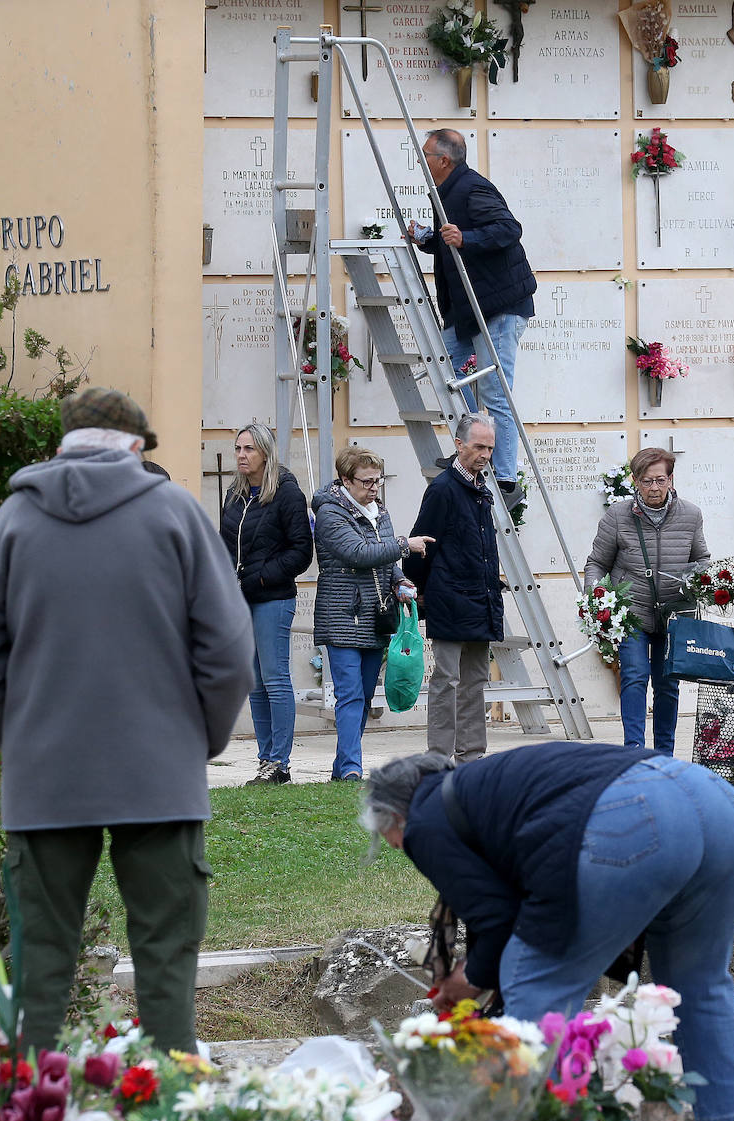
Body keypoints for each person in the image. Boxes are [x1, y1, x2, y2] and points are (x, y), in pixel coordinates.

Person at [0, 386, 253, 1054]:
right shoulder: (176, 513)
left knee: (41, 967)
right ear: (137, 446)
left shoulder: (12, 522)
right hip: (160, 774)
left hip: (45, 779)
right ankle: (170, 1116)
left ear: (61, 447)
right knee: (167, 959)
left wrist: (22, 737)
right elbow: (229, 650)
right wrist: (196, 738)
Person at [360, 743, 734, 1121]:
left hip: (634, 818)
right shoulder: (479, 790)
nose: (393, 845)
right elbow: (500, 909)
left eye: (385, 834)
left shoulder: (425, 821)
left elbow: (498, 923)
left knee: (534, 981)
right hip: (720, 806)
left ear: (394, 815)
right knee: (697, 979)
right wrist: (478, 969)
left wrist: (472, 978)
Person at [408, 127, 536, 508]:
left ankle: (506, 477)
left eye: (425, 156)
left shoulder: (471, 188)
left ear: (444, 161)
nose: (421, 163)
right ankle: (470, 452)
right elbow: (454, 240)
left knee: (496, 392)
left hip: (497, 307)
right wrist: (429, 239)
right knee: (443, 368)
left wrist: (466, 238)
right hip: (470, 309)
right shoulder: (445, 190)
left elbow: (508, 229)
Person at [312, 446, 432, 782]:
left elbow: (385, 561)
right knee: (349, 693)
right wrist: (405, 544)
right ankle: (352, 768)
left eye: (377, 481)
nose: (374, 488)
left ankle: (341, 768)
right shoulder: (330, 514)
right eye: (366, 482)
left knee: (364, 696)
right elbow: (358, 553)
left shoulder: (379, 510)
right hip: (341, 614)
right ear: (346, 481)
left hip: (376, 615)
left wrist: (401, 580)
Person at [583, 447, 709, 754]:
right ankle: (634, 752)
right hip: (632, 612)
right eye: (646, 481)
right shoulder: (617, 516)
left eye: (660, 480)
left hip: (673, 615)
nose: (654, 488)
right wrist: (596, 596)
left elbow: (702, 558)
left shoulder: (690, 515)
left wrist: (700, 581)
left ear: (670, 479)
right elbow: (596, 563)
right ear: (636, 482)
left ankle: (664, 754)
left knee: (667, 685)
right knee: (635, 678)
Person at [405, 412, 504, 765]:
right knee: (446, 681)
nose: (485, 455)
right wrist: (417, 588)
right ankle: (438, 757)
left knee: (475, 681)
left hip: (480, 600)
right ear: (459, 444)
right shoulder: (443, 489)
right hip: (449, 599)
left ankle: (472, 756)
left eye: (490, 448)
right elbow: (423, 544)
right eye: (479, 446)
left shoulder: (481, 489)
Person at [220, 422, 313, 787]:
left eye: (249, 449)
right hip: (240, 598)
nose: (242, 455)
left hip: (272, 597)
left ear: (265, 453)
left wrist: (259, 577)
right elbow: (224, 543)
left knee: (275, 678)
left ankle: (280, 762)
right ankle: (265, 760)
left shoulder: (286, 493)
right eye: (238, 449)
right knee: (254, 681)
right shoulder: (234, 494)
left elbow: (301, 552)